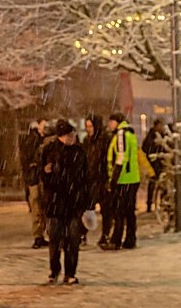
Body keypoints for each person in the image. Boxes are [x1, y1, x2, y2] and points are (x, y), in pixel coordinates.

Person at [42, 119, 90, 285]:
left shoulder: (79, 152)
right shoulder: (50, 151)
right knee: (54, 240)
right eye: (70, 135)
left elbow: (86, 178)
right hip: (55, 203)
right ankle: (54, 271)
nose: (73, 137)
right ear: (62, 136)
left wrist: (87, 202)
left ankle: (70, 273)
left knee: (72, 240)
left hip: (74, 203)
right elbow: (41, 175)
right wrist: (46, 172)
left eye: (74, 134)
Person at [105, 111, 140, 250]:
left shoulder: (121, 134)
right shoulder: (130, 134)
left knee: (119, 211)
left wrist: (113, 179)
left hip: (123, 180)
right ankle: (130, 239)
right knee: (129, 211)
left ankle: (116, 240)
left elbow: (121, 157)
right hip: (132, 178)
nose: (109, 124)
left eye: (111, 121)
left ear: (117, 122)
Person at [83, 114, 111, 246]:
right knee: (88, 208)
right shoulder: (87, 141)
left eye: (90, 126)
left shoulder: (104, 139)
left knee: (106, 209)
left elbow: (106, 159)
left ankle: (105, 234)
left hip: (102, 178)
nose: (89, 129)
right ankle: (83, 234)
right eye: (87, 126)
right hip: (90, 179)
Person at [19, 119, 47, 249]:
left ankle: (39, 235)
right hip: (38, 178)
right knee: (40, 206)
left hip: (34, 178)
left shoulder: (30, 140)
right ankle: (40, 235)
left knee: (37, 207)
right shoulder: (37, 140)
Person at [141, 118, 168, 213]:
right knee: (152, 184)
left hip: (162, 164)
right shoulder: (150, 137)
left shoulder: (163, 136)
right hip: (153, 164)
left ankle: (163, 203)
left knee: (163, 184)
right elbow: (145, 148)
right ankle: (149, 204)